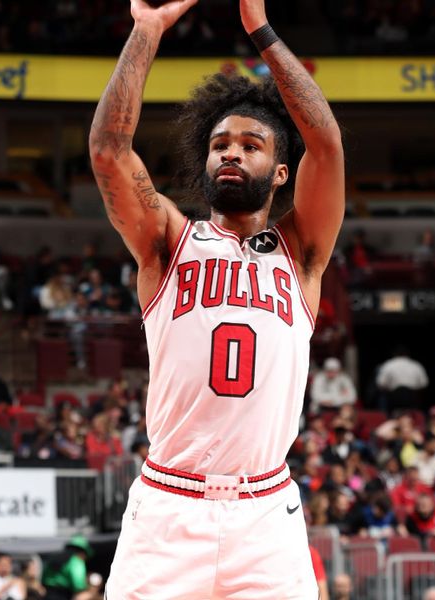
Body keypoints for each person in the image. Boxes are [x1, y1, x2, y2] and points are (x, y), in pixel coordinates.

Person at [91, 0, 345, 596]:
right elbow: (108, 151)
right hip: (168, 509)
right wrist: (146, 31)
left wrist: (260, 29)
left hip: (265, 514)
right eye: (219, 144)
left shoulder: (302, 251)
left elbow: (326, 145)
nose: (231, 151)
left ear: (280, 172)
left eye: (251, 144)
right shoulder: (166, 241)